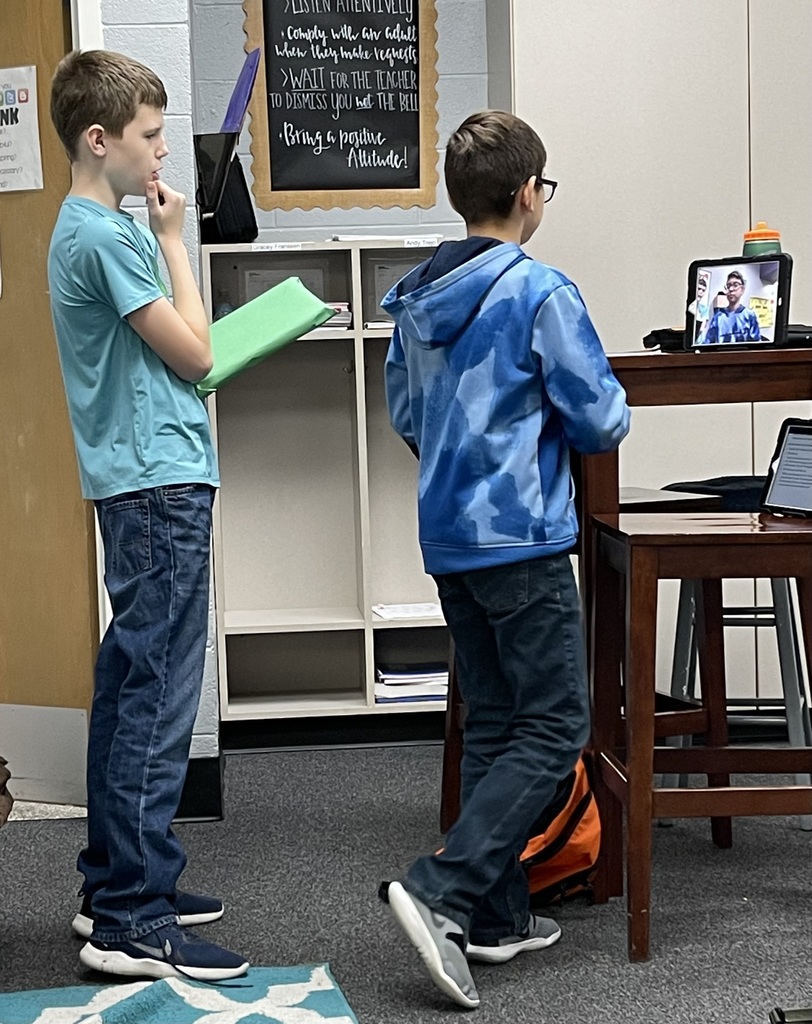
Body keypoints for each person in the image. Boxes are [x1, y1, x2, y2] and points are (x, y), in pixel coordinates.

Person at [380, 110, 630, 1010]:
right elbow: (600, 418)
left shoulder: (414, 296)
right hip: (522, 537)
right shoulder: (540, 291)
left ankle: (495, 918)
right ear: (528, 194)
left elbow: (407, 419)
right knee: (557, 724)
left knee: (491, 719)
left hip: (450, 539)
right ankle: (442, 888)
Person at [48, 49, 248, 981]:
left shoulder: (88, 227)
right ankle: (134, 913)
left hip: (146, 482)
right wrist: (178, 239)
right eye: (152, 136)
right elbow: (198, 354)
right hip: (157, 485)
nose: (164, 154)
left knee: (136, 684)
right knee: (158, 697)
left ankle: (118, 886)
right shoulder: (109, 237)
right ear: (101, 140)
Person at [700, 270, 761, 344]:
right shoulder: (718, 317)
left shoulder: (750, 315)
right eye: (728, 286)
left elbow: (757, 346)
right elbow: (707, 343)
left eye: (735, 285)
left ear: (742, 289)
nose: (731, 289)